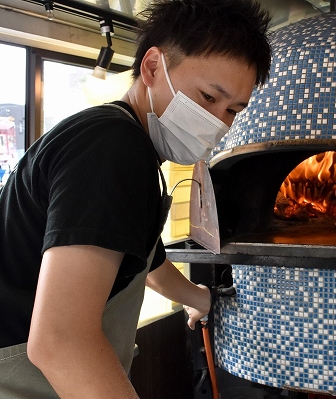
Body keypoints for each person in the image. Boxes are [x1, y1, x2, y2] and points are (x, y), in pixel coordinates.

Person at [0, 0, 271, 397]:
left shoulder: (126, 144)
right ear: (152, 67)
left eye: (233, 110)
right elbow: (61, 341)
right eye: (209, 98)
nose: (217, 123)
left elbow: (142, 257)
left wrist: (200, 298)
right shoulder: (112, 148)